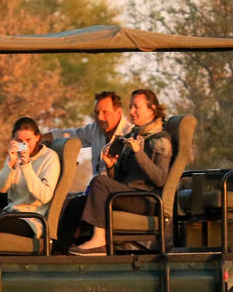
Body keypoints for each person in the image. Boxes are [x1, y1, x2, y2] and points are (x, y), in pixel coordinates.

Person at [69, 89, 172, 256]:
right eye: (130, 106)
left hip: (146, 199)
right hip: (127, 194)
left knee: (98, 182)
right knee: (77, 202)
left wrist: (139, 153)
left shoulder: (161, 140)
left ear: (152, 110)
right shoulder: (134, 135)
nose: (131, 112)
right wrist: (110, 166)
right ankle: (62, 249)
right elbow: (120, 179)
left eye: (136, 107)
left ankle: (99, 241)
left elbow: (160, 179)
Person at [0, 117, 60, 255]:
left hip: (32, 219)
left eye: (28, 140)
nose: (24, 145)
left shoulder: (49, 158)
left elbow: (44, 196)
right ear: (13, 140)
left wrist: (26, 166)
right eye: (19, 141)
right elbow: (0, 188)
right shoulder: (16, 156)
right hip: (10, 213)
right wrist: (10, 164)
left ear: (37, 137)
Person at [47, 91, 134, 181]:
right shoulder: (94, 130)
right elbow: (67, 135)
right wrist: (39, 138)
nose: (99, 117)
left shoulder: (131, 135)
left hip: (117, 192)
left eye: (105, 112)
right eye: (96, 112)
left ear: (119, 112)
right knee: (68, 195)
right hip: (96, 188)